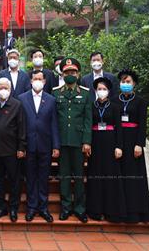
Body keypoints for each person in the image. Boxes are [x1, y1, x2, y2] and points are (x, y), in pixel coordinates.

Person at [52, 58, 92, 223]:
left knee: (79, 176)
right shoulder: (56, 93)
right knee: (64, 177)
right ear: (62, 73)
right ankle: (66, 208)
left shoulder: (85, 93)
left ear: (78, 73)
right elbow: (53, 120)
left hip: (78, 141)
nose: (70, 74)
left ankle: (80, 209)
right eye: (67, 72)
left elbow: (88, 119)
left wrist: (87, 141)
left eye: (73, 72)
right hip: (62, 141)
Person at [18, 70, 60, 222]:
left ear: (44, 82)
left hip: (45, 145)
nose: (37, 81)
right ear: (31, 81)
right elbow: (20, 124)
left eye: (40, 79)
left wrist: (56, 145)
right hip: (28, 145)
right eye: (35, 78)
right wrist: (21, 146)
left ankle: (43, 208)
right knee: (30, 178)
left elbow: (54, 124)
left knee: (43, 178)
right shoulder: (22, 98)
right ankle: (31, 208)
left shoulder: (51, 99)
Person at [86, 77, 127, 222]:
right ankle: (95, 210)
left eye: (104, 89)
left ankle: (111, 211)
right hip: (96, 143)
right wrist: (88, 144)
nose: (101, 91)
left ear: (108, 91)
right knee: (95, 176)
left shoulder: (115, 107)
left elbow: (119, 128)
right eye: (99, 89)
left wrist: (119, 146)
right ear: (95, 91)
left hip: (110, 143)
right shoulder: (91, 106)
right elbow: (88, 126)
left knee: (110, 177)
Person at [0, 77, 27, 222]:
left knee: (14, 181)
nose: (3, 90)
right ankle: (0, 207)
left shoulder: (17, 105)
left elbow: (21, 128)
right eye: (1, 88)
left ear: (10, 90)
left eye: (6, 88)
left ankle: (13, 208)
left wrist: (21, 147)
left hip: (12, 151)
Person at [116, 69, 149, 223]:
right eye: (123, 82)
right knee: (119, 176)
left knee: (134, 178)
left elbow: (143, 125)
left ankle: (135, 212)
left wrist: (139, 144)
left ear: (134, 84)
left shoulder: (141, 102)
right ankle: (119, 211)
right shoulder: (114, 100)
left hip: (133, 141)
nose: (125, 84)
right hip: (118, 140)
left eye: (128, 82)